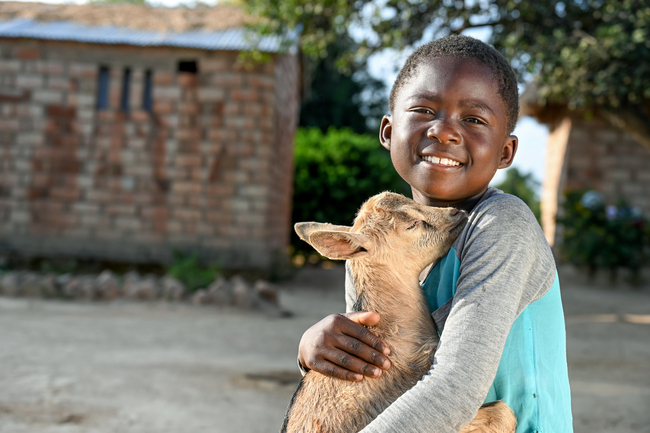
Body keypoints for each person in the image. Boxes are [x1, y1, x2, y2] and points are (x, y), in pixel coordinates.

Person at [296, 35, 573, 433]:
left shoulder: (502, 225)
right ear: (389, 131)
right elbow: (376, 381)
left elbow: (455, 388)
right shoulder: (375, 245)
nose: (444, 132)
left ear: (506, 153)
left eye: (474, 119)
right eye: (424, 110)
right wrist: (314, 352)